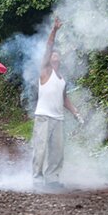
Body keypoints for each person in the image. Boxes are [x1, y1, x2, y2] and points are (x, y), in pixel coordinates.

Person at [32, 18, 84, 190]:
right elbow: (48, 48)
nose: (55, 55)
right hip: (44, 116)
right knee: (40, 150)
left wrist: (76, 113)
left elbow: (64, 99)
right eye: (53, 54)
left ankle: (52, 178)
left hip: (58, 118)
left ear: (60, 58)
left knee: (57, 152)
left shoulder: (62, 78)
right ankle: (37, 180)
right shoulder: (45, 71)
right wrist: (54, 30)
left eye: (57, 54)